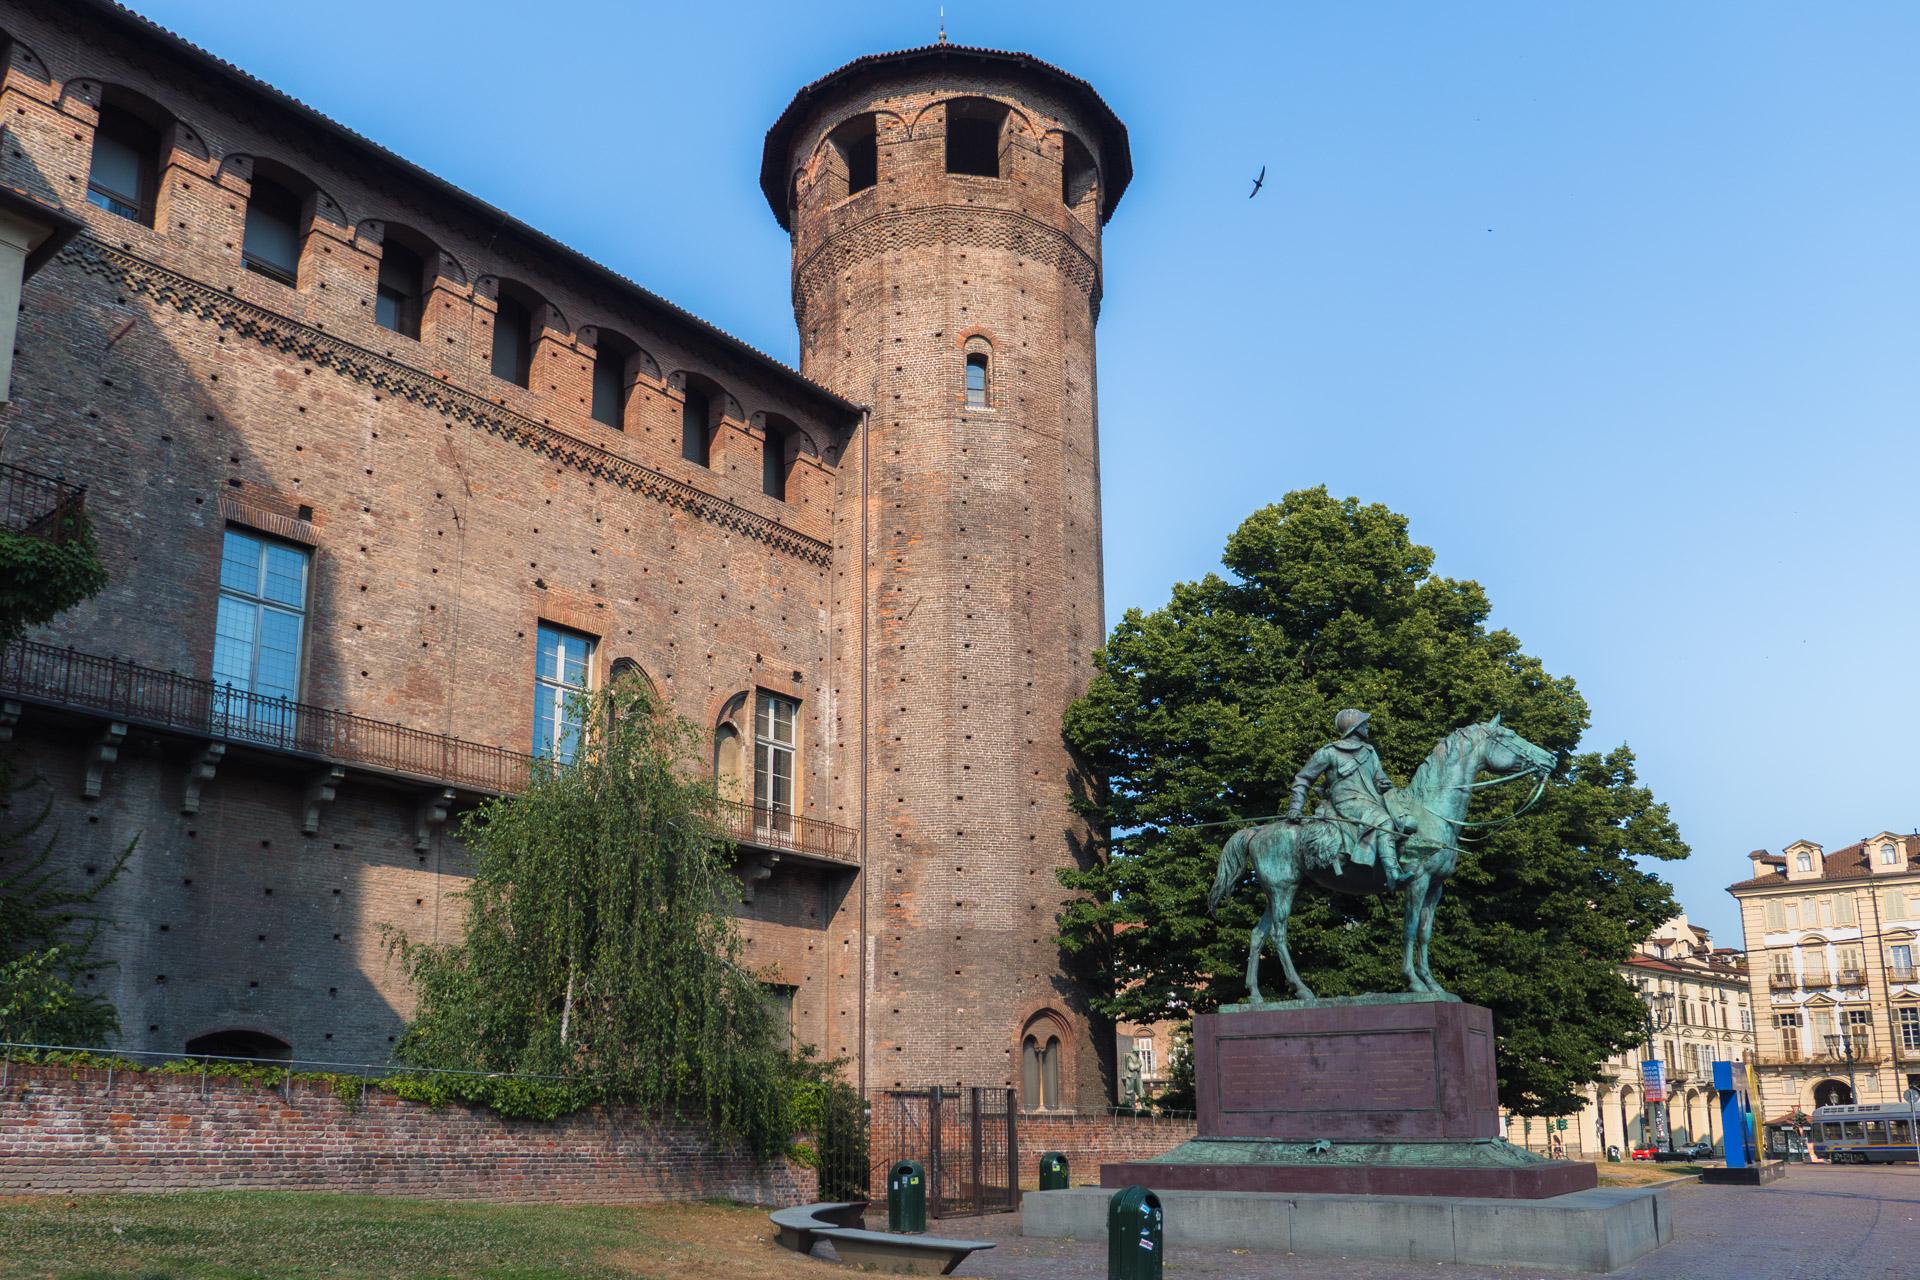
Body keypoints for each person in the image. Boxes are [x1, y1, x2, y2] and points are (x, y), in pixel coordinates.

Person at [1286, 709, 1418, 885]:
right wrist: (1295, 807)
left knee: (1405, 821)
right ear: (1355, 727)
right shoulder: (1330, 752)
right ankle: (1393, 875)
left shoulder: (1370, 752)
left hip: (1371, 800)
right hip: (1347, 802)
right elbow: (1303, 778)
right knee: (1384, 821)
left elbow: (1380, 779)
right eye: (1364, 724)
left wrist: (1384, 784)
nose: (1368, 726)